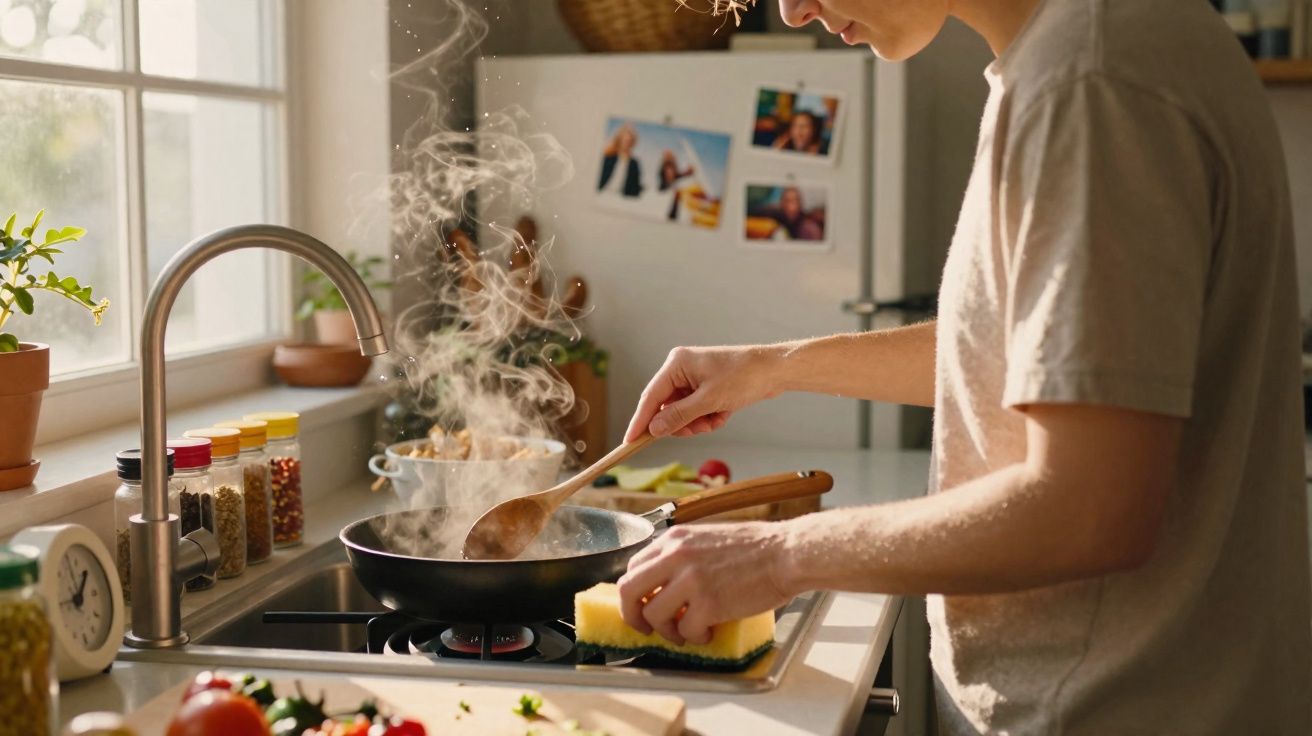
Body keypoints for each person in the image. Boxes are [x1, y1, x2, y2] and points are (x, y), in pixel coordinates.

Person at [618, 0, 1312, 732]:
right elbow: (1034, 356)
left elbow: (1091, 508)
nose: (790, 11)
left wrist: (779, 556)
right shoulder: (1094, 43)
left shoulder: (1091, 81)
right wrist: (773, 367)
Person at [597, 122, 643, 198]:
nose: (627, 143)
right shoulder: (608, 156)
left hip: (620, 199)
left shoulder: (634, 164)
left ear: (633, 143)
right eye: (625, 140)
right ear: (619, 140)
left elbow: (635, 190)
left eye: (629, 141)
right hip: (602, 193)